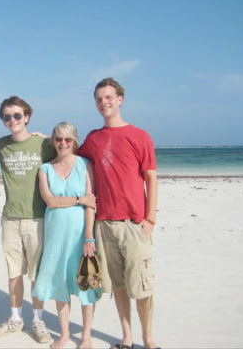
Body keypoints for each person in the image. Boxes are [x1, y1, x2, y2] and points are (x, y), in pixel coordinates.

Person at [78, 77, 159, 349]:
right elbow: (69, 155)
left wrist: (150, 220)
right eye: (99, 99)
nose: (104, 103)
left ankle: (148, 340)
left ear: (120, 99)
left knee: (143, 287)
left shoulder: (140, 136)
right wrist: (42, 140)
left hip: (134, 224)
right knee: (119, 286)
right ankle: (127, 337)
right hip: (104, 225)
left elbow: (151, 179)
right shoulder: (93, 138)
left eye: (109, 97)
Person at [0, 96, 55, 343]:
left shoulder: (43, 145)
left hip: (37, 218)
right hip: (10, 218)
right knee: (14, 272)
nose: (12, 120)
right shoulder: (0, 145)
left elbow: (72, 151)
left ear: (27, 117)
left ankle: (38, 319)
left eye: (17, 115)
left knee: (37, 274)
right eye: (7, 117)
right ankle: (16, 318)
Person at [32, 122, 99, 349]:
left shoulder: (85, 164)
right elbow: (50, 201)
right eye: (59, 139)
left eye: (67, 139)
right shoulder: (45, 169)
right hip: (55, 236)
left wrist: (89, 236)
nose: (63, 143)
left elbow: (92, 203)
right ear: (53, 141)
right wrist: (79, 200)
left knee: (85, 284)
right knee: (60, 284)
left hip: (81, 235)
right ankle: (64, 335)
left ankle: (87, 336)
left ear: (75, 141)